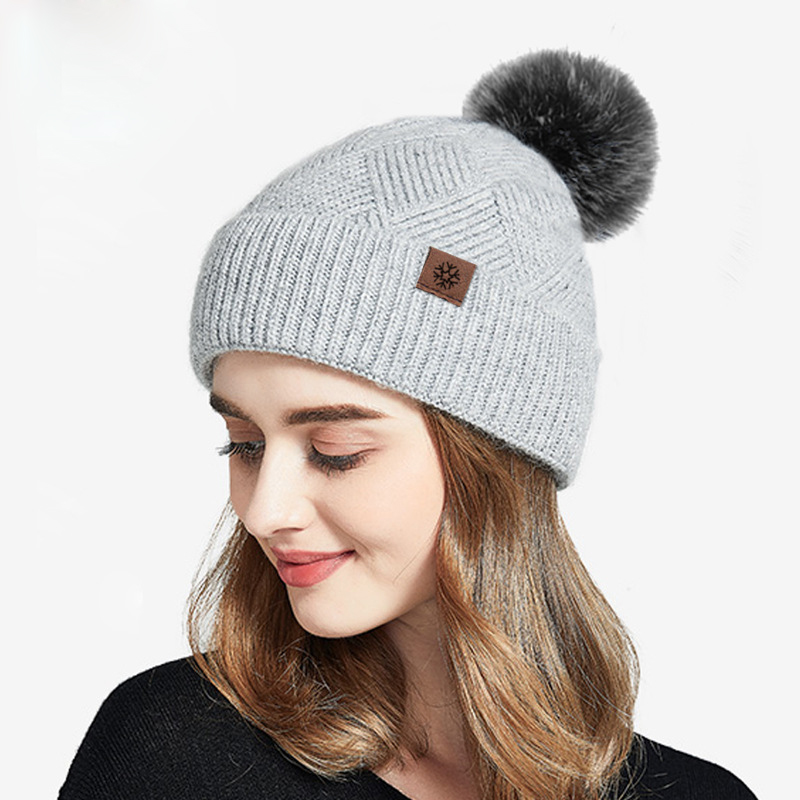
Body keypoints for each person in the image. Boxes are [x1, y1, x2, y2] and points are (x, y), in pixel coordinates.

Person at [59, 51, 757, 799]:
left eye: (335, 451)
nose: (263, 511)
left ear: (495, 455)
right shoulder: (171, 754)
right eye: (246, 444)